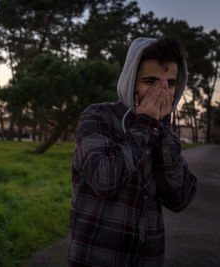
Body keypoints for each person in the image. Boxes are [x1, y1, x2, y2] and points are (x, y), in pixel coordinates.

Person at [68, 37, 197, 266]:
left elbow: (180, 198)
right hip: (96, 256)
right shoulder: (97, 117)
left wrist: (163, 131)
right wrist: (144, 122)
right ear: (131, 81)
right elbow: (104, 179)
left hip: (148, 258)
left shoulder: (164, 131)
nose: (162, 91)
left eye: (171, 83)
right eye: (151, 82)